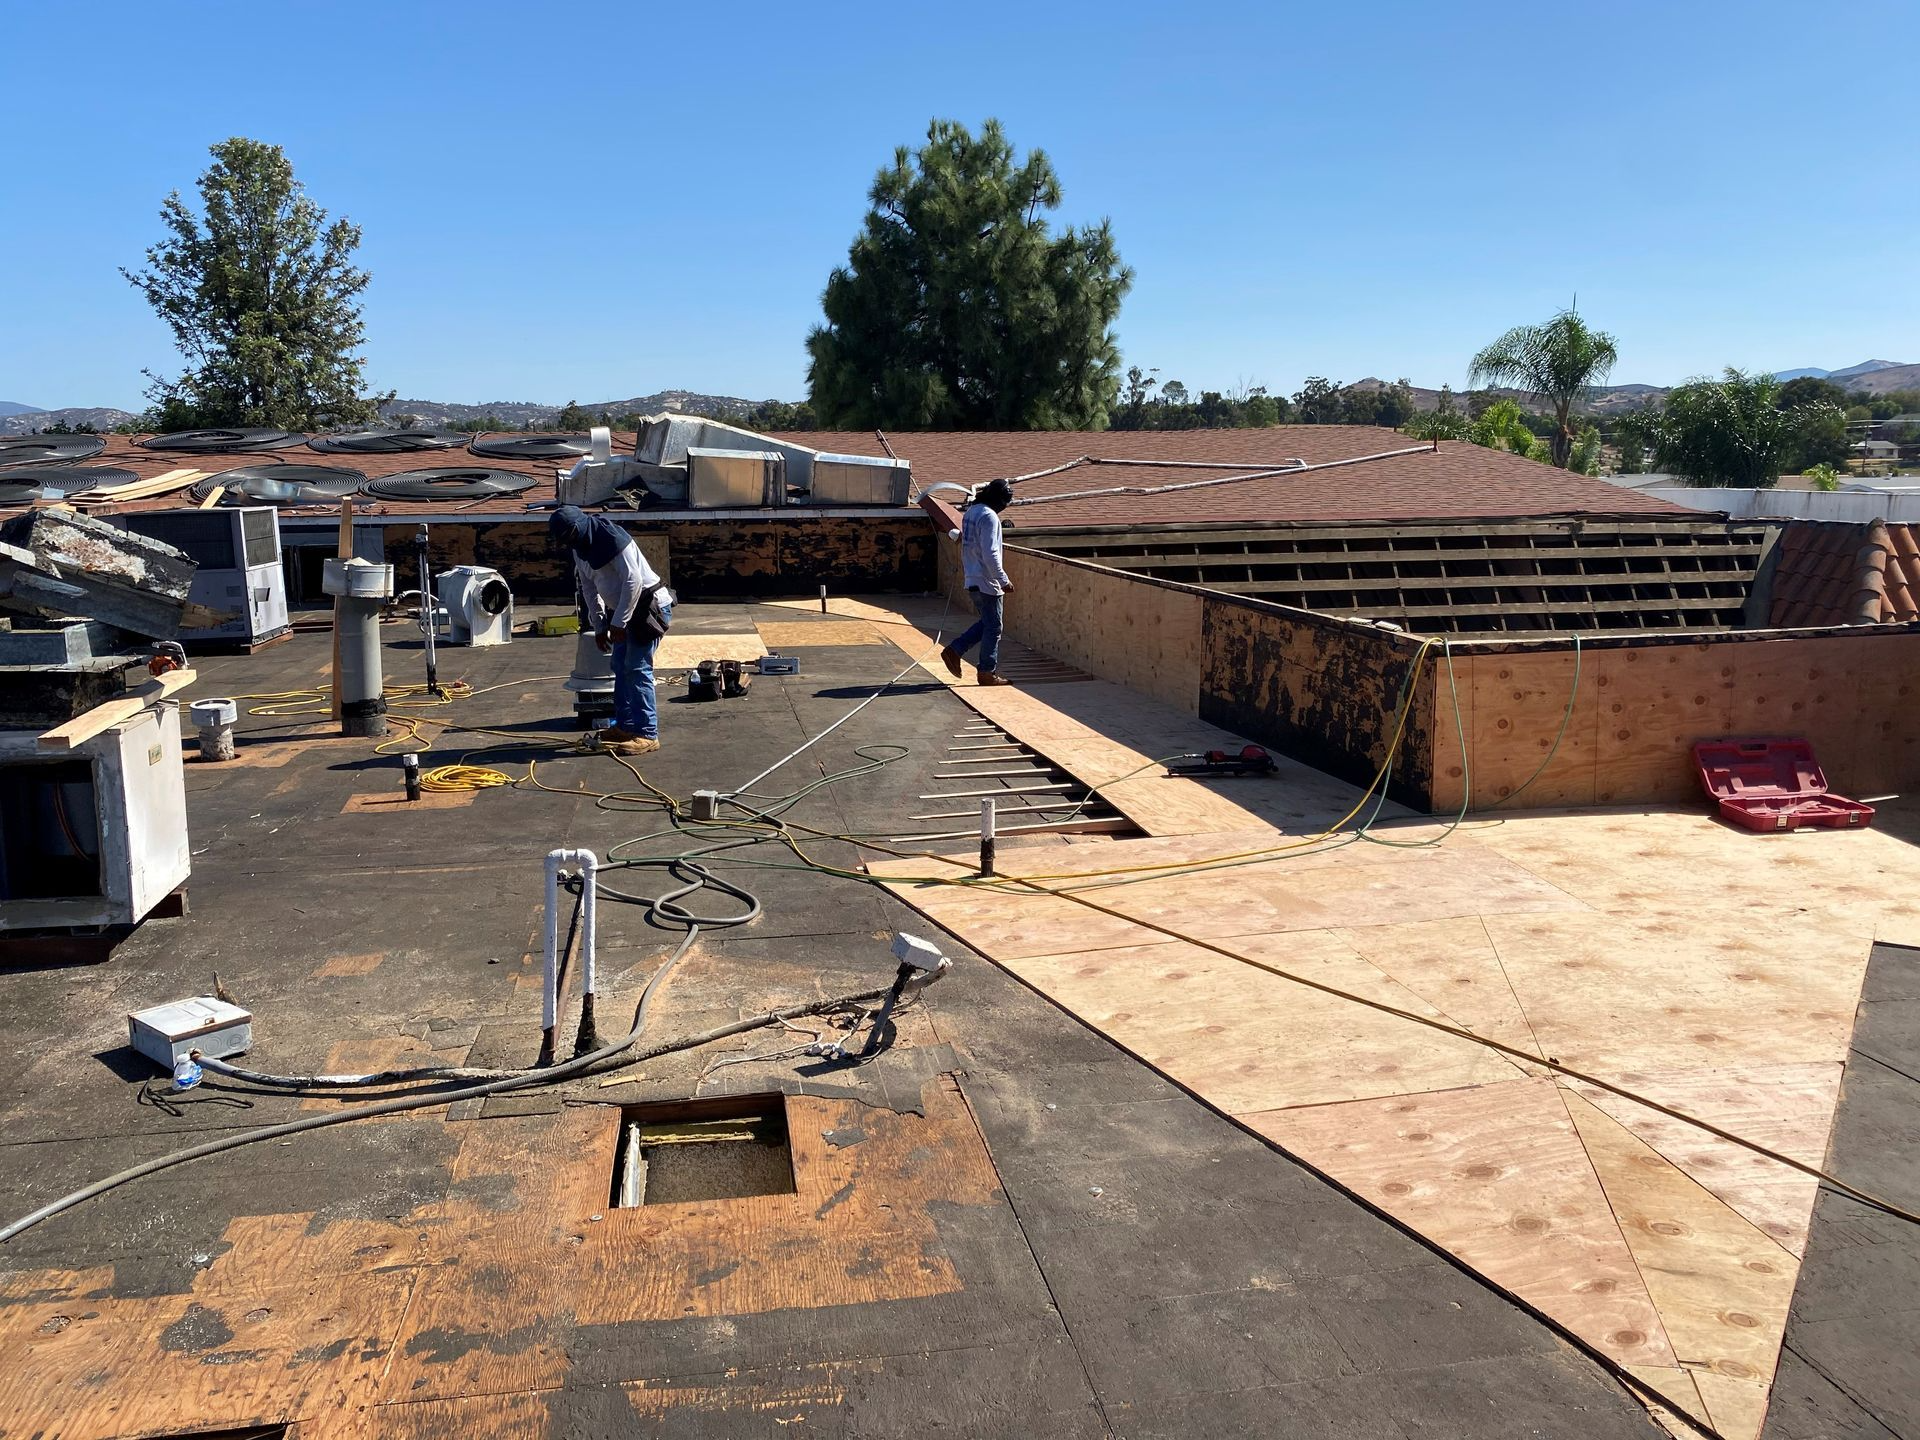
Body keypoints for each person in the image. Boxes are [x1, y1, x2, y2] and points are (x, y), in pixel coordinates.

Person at [549, 505, 670, 754]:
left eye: (570, 536)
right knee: (619, 667)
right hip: (621, 613)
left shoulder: (612, 538)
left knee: (636, 668)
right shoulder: (580, 550)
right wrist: (600, 624)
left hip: (647, 606)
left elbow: (633, 581)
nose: (569, 543)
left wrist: (618, 623)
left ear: (578, 527)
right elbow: (589, 588)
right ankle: (625, 727)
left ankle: (647, 734)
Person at [940, 477, 1015, 686]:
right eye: (1004, 502)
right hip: (987, 580)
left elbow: (965, 539)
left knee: (988, 623)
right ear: (998, 499)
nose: (1004, 507)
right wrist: (1003, 579)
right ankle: (986, 672)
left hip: (972, 578)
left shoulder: (971, 512)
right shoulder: (989, 517)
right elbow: (991, 552)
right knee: (994, 627)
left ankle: (955, 651)